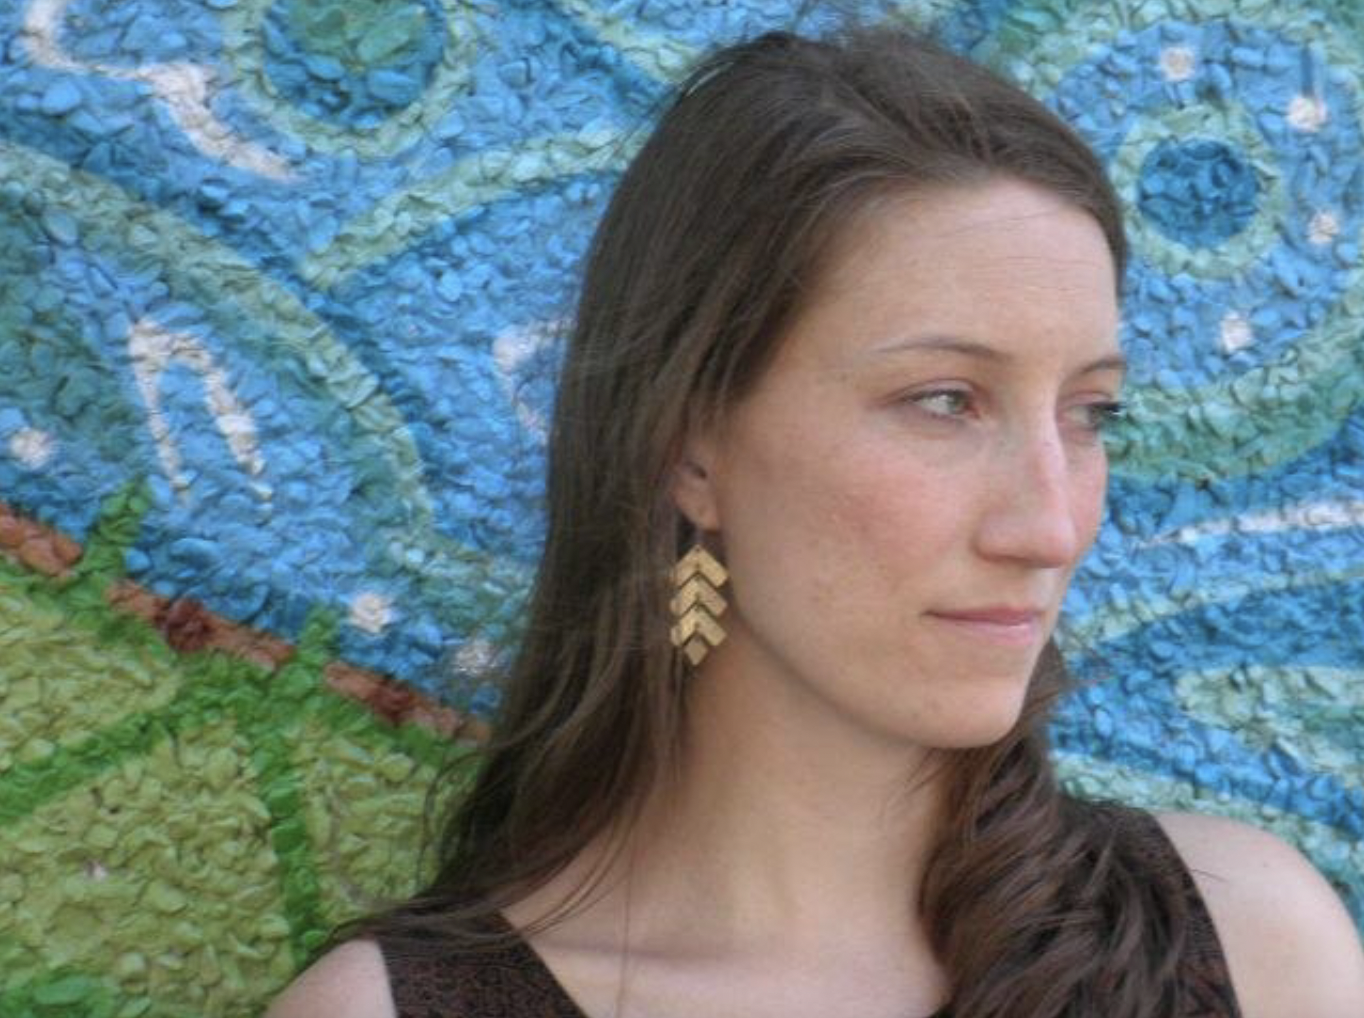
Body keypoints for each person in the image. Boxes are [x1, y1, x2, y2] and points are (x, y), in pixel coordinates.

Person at [267, 26, 1364, 1018]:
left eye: (1089, 413)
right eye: (945, 400)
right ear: (689, 448)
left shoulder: (1247, 947)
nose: (1051, 527)